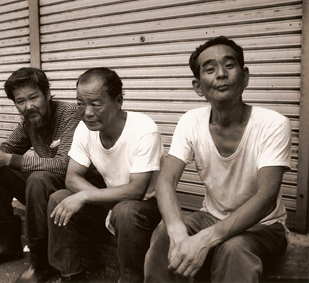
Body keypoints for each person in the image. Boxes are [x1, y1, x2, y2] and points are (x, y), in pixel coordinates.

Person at [144, 36, 291, 283]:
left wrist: (206, 238)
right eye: (210, 69)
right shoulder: (191, 121)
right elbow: (165, 180)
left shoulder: (273, 124)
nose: (221, 74)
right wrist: (176, 229)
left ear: (245, 77)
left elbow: (265, 199)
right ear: (198, 86)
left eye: (229, 66)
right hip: (212, 216)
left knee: (233, 249)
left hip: (264, 225)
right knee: (164, 236)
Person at [47, 67, 163, 283]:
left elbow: (137, 190)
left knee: (125, 210)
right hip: (111, 201)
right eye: (80, 103)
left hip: (147, 207)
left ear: (118, 101)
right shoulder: (84, 129)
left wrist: (85, 196)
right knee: (59, 199)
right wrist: (95, 197)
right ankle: (70, 275)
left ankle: (131, 279)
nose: (87, 112)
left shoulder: (144, 129)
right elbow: (72, 177)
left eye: (95, 104)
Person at [0, 67, 83, 283]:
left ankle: (40, 263)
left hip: (74, 189)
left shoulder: (70, 114)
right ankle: (7, 245)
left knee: (38, 178)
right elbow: (9, 146)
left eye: (34, 97)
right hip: (44, 189)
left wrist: (9, 159)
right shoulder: (29, 121)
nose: (28, 106)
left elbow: (65, 165)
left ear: (47, 94)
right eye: (20, 101)